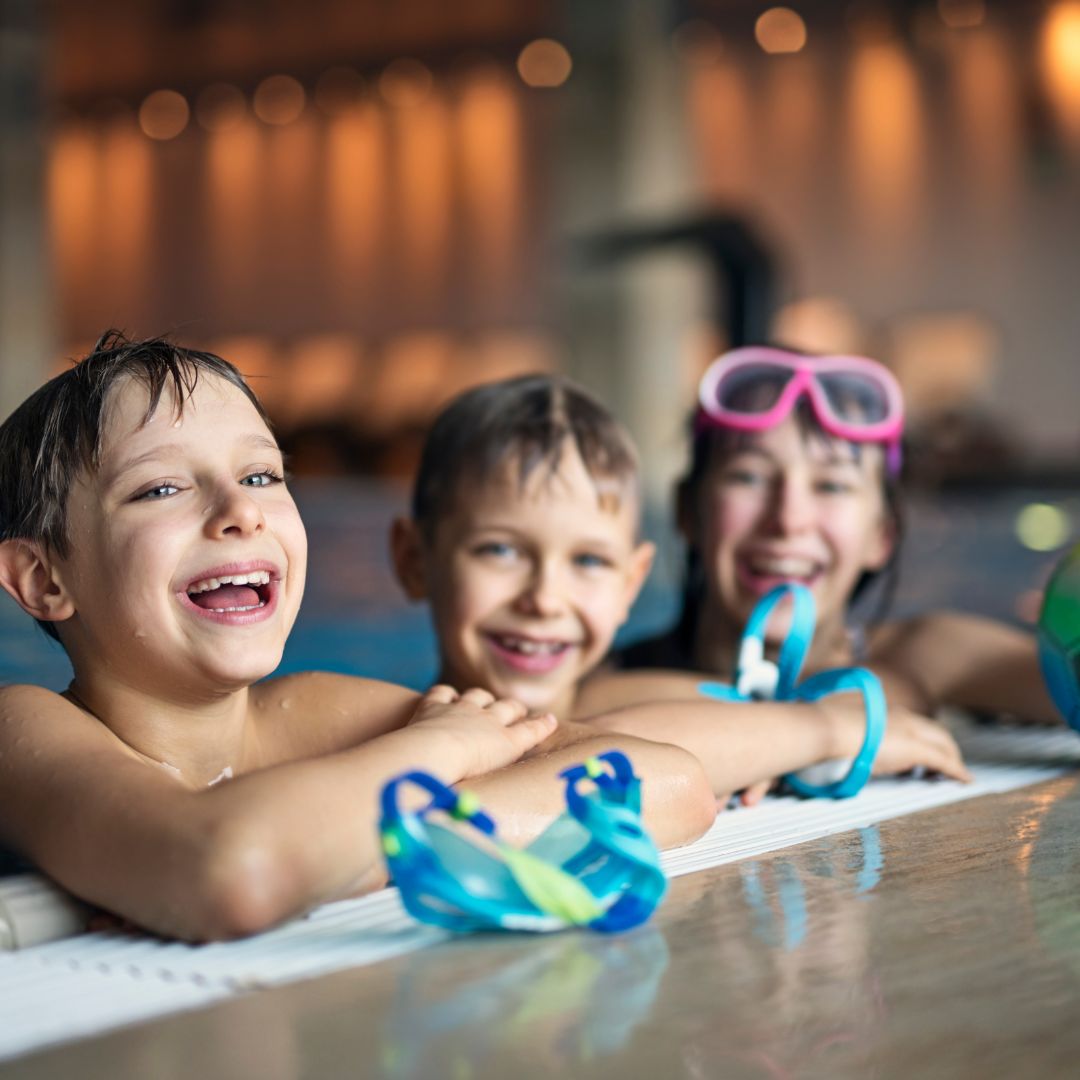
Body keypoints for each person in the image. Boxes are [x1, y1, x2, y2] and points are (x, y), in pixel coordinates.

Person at [0, 332, 719, 942]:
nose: (240, 512)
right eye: (161, 488)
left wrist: (364, 841)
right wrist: (439, 753)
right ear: (42, 579)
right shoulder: (23, 730)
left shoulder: (305, 713)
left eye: (261, 474)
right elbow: (231, 870)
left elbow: (671, 785)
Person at [389, 373, 970, 805]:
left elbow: (822, 702)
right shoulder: (370, 719)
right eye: (501, 550)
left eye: (588, 560)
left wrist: (794, 737)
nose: (544, 598)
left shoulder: (637, 695)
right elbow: (591, 750)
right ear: (414, 560)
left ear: (630, 583)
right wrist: (819, 734)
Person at [581, 345, 1059, 728]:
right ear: (689, 512)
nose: (789, 520)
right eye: (749, 477)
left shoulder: (928, 656)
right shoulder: (604, 683)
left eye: (832, 485)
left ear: (882, 536)